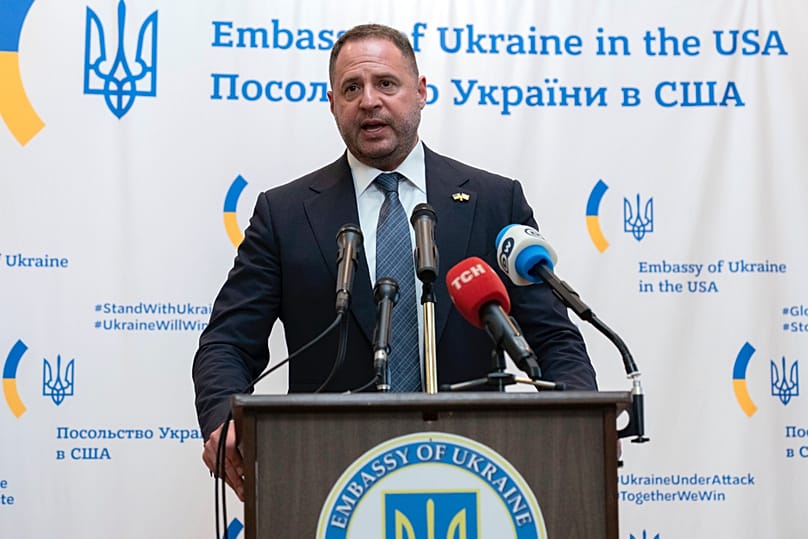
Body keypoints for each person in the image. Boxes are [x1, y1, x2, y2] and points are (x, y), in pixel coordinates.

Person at [192, 23, 597, 500]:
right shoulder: (284, 214)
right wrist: (223, 417)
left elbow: (551, 336)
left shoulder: (493, 201)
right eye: (351, 88)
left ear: (421, 91)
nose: (368, 100)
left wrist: (580, 419)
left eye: (386, 83)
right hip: (328, 475)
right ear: (332, 103)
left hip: (475, 473)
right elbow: (227, 343)